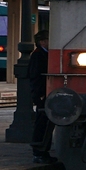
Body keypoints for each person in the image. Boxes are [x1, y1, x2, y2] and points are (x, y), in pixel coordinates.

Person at [29, 30, 55, 163]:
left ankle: (43, 150)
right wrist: (40, 94)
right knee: (41, 122)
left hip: (45, 93)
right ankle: (39, 152)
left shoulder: (45, 54)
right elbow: (35, 77)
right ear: (42, 42)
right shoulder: (38, 55)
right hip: (41, 94)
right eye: (48, 39)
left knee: (46, 121)